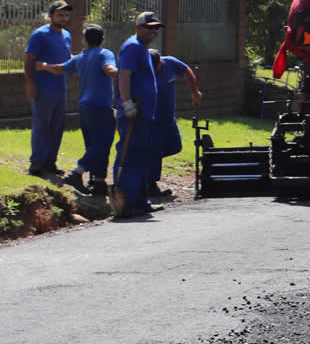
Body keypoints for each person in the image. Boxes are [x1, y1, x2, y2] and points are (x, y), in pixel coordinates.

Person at [35, 23, 116, 194]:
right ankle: (77, 172)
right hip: (101, 106)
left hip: (85, 107)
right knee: (103, 143)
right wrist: (126, 74)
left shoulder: (80, 58)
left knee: (93, 145)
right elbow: (109, 69)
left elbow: (59, 68)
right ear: (102, 39)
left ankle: (99, 183)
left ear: (85, 40)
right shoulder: (105, 54)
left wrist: (43, 66)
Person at [114, 12, 164, 217]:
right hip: (134, 113)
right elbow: (124, 75)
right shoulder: (132, 47)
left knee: (142, 157)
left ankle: (141, 201)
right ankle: (126, 201)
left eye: (156, 28)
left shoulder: (142, 48)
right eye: (149, 27)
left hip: (145, 114)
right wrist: (127, 103)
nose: (153, 31)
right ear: (138, 27)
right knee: (130, 155)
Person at [23, 0, 73, 176]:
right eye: (60, 14)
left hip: (61, 87)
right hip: (43, 88)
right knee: (42, 125)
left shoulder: (66, 35)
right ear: (51, 15)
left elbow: (67, 57)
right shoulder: (40, 35)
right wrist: (30, 83)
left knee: (57, 126)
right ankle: (36, 164)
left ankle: (50, 162)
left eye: (66, 15)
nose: (64, 18)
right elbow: (29, 60)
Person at [147, 50, 202, 197]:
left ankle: (147, 163)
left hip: (168, 117)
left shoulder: (170, 62)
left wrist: (194, 91)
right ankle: (150, 185)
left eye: (156, 68)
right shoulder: (144, 70)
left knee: (175, 146)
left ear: (160, 62)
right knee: (155, 150)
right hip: (152, 119)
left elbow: (187, 71)